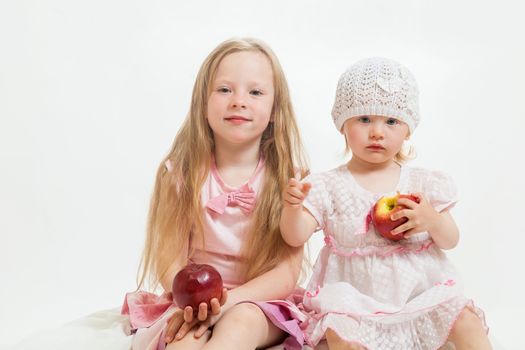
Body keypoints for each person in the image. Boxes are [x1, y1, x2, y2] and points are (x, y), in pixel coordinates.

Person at [280, 57, 491, 349]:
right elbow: (295, 235)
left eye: (391, 121)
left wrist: (432, 220)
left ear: (408, 129)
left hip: (419, 295)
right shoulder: (328, 185)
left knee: (466, 320)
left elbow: (451, 239)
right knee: (340, 333)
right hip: (354, 298)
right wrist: (292, 207)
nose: (377, 132)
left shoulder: (423, 184)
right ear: (343, 125)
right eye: (364, 119)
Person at [121, 37, 309, 350]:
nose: (239, 101)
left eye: (256, 92)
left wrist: (229, 302)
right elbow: (169, 261)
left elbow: (285, 274)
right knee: (183, 342)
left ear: (275, 109)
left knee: (241, 323)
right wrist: (196, 306)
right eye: (224, 89)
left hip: (258, 303)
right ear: (203, 104)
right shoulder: (180, 174)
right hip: (193, 303)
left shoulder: (287, 181)